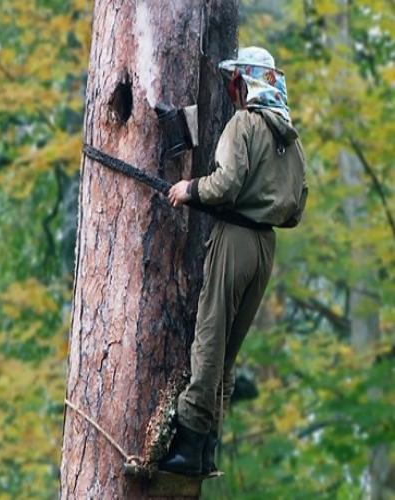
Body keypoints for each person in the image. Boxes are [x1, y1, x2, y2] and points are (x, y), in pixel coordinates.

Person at [158, 47, 308, 476]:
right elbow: (297, 209)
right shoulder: (290, 139)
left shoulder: (245, 123)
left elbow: (225, 185)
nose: (231, 90)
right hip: (265, 249)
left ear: (245, 83)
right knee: (228, 353)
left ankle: (187, 447)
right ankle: (207, 452)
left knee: (209, 339)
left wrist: (189, 189)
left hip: (237, 239)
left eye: (235, 82)